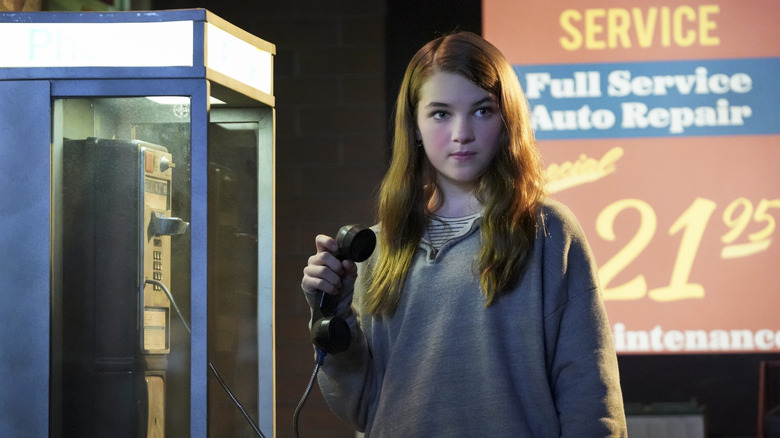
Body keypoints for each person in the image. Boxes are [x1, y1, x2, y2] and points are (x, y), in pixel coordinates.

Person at [301, 31, 627, 437]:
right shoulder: (380, 245)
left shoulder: (546, 231)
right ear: (415, 125)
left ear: (507, 118)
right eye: (440, 113)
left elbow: (590, 398)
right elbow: (364, 408)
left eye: (481, 111)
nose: (461, 133)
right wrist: (335, 317)